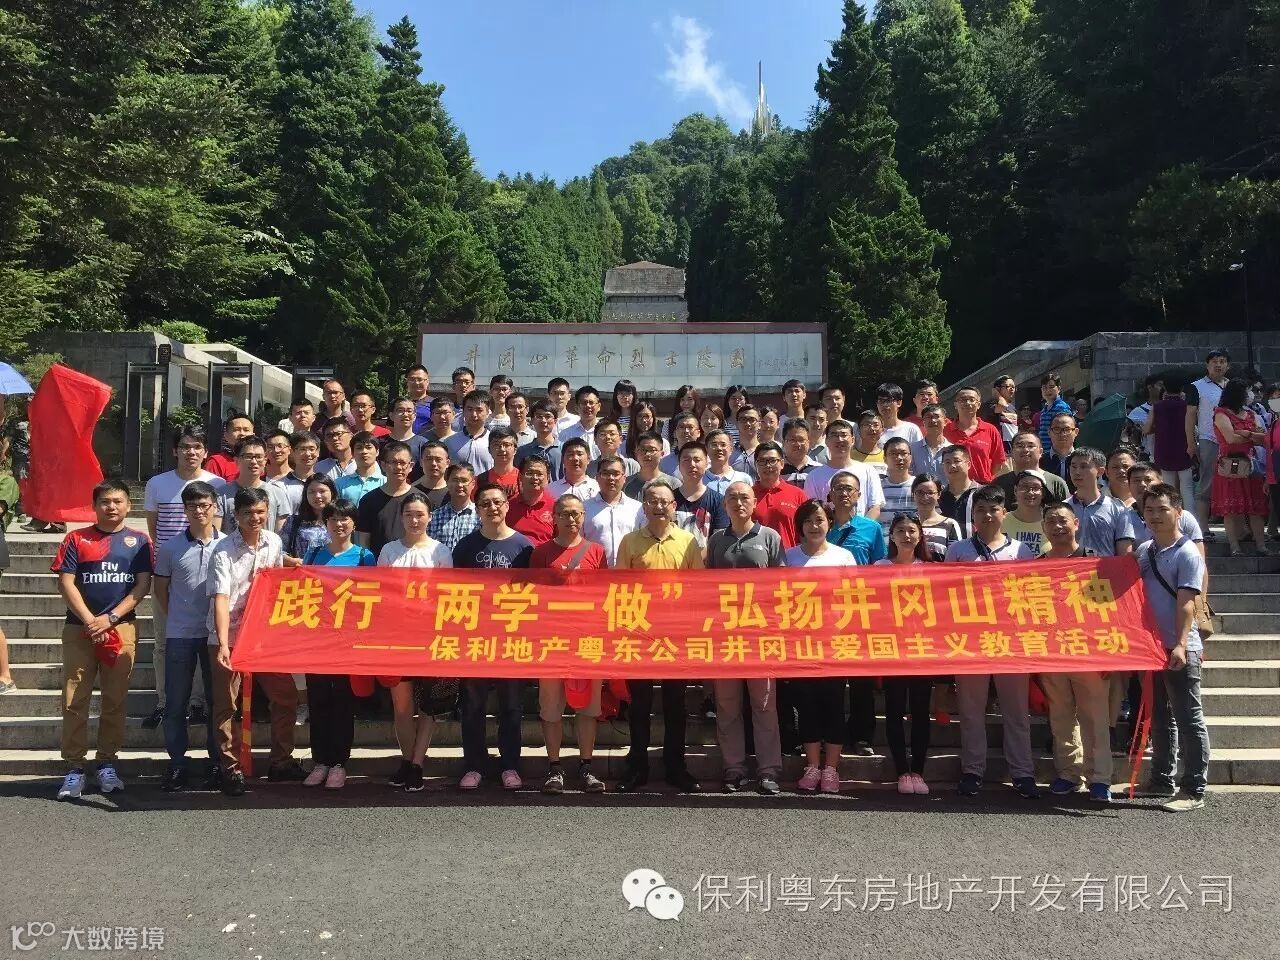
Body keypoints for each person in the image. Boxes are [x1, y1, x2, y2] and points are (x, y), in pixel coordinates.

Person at [53, 480, 154, 800]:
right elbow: (66, 582)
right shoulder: (76, 538)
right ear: (94, 506)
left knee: (115, 698)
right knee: (74, 699)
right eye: (105, 502)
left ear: (128, 506)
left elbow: (142, 586)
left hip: (120, 628)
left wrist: (110, 618)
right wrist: (90, 620)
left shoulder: (139, 541)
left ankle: (107, 762)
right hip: (79, 629)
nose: (112, 507)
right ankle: (74, 766)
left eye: (118, 501)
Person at [944, 485, 1039, 799]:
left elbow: (1029, 597)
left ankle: (1023, 773)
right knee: (971, 710)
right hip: (970, 640)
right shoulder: (958, 550)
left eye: (993, 509)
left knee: (1016, 711)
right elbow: (945, 595)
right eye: (981, 510)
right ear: (973, 514)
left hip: (1010, 641)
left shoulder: (1021, 552)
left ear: (1004, 513)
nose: (987, 515)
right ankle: (972, 770)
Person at [209, 488, 301, 796]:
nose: (255, 518)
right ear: (236, 515)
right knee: (227, 704)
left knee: (286, 696)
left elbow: (274, 578)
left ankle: (281, 761)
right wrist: (223, 643)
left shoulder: (273, 541)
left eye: (260, 512)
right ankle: (230, 767)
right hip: (230, 635)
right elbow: (221, 598)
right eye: (248, 513)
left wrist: (294, 564)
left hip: (263, 634)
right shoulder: (223, 550)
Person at [615, 478, 704, 793]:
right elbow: (620, 590)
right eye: (652, 501)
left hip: (675, 635)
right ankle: (637, 767)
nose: (658, 506)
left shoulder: (688, 542)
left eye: (664, 501)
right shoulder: (630, 542)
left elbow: (698, 589)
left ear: (674, 506)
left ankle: (675, 767)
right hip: (640, 633)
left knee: (675, 704)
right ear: (644, 506)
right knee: (639, 704)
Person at [706, 481, 786, 795]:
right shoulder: (716, 540)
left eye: (744, 498)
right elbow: (707, 587)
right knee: (727, 705)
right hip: (726, 635)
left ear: (754, 502)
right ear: (724, 505)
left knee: (764, 704)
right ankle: (734, 768)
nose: (738, 503)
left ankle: (769, 770)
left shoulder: (770, 537)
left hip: (760, 635)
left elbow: (781, 585)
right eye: (732, 498)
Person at [454, 484, 534, 790]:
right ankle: (474, 765)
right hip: (475, 638)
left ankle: (510, 765)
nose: (493, 508)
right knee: (473, 706)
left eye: (498, 502)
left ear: (507, 506)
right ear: (477, 510)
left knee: (511, 706)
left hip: (511, 638)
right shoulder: (465, 547)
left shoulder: (523, 547)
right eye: (485, 503)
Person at [1136, 484, 1211, 811]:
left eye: (1162, 509)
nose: (1155, 516)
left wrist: (1180, 644)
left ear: (1178, 512)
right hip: (1151, 648)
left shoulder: (1187, 552)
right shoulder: (1144, 550)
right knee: (1159, 717)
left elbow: (1187, 603)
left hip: (1179, 647)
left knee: (1188, 718)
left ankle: (1193, 789)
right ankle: (1161, 779)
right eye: (1149, 510)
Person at [375, 491, 455, 792]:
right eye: (409, 514)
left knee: (428, 706)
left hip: (429, 635)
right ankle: (407, 760)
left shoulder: (441, 552)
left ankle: (417, 764)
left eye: (420, 514)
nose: (414, 520)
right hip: (396, 636)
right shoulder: (389, 551)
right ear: (401, 518)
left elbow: (447, 595)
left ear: (429, 517)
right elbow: (380, 592)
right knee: (401, 706)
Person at [532, 494, 608, 794]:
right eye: (564, 513)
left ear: (584, 516)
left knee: (588, 707)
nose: (571, 519)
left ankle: (586, 765)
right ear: (554, 517)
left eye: (576, 513)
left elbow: (604, 596)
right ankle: (554, 767)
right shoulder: (541, 553)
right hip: (551, 640)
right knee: (551, 708)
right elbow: (533, 597)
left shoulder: (597, 552)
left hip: (588, 639)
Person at [1037, 500, 1112, 802]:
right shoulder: (1036, 565)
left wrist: (1107, 654)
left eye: (1063, 520)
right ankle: (1069, 773)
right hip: (1051, 652)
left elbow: (1107, 611)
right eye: (1051, 522)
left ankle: (1100, 778)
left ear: (1076, 524)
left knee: (1095, 718)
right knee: (1061, 716)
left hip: (1088, 652)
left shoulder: (1094, 562)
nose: (1057, 526)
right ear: (1043, 528)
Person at [143, 426, 217, 728]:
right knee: (163, 643)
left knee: (203, 642)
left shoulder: (216, 484)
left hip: (205, 576)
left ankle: (197, 703)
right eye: (185, 446)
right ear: (175, 450)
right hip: (167, 574)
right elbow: (154, 529)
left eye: (197, 446)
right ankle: (165, 702)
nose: (191, 452)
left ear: (205, 452)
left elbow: (216, 529)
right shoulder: (157, 484)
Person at [300, 502, 376, 791]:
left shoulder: (364, 556)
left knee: (343, 702)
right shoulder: (314, 554)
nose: (339, 524)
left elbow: (372, 596)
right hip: (317, 639)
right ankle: (320, 761)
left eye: (344, 519)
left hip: (348, 640)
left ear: (353, 523)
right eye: (332, 519)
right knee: (318, 700)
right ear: (326, 523)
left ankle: (339, 763)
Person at [154, 481, 223, 792]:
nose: (199, 511)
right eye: (192, 506)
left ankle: (216, 761)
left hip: (215, 635)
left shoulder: (227, 545)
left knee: (216, 701)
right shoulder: (170, 547)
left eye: (205, 505)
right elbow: (160, 589)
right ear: (184, 510)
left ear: (215, 508)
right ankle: (177, 763)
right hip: (180, 633)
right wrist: (177, 616)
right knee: (176, 701)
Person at [785, 499, 854, 794]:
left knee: (833, 705)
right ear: (800, 526)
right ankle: (812, 766)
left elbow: (855, 598)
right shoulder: (788, 557)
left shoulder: (843, 556)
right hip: (800, 644)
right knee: (807, 706)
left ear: (829, 523)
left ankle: (831, 769)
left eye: (820, 520)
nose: (814, 526)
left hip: (835, 643)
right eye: (808, 521)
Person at [873, 513, 937, 795]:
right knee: (895, 709)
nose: (907, 536)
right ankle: (902, 771)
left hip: (923, 648)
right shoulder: (880, 567)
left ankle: (918, 771)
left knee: (921, 711)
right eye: (901, 531)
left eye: (912, 531)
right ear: (892, 536)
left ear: (920, 536)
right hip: (892, 647)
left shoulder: (931, 569)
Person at [824, 471, 885, 755]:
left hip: (859, 610)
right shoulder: (822, 525)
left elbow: (880, 569)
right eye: (839, 488)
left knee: (861, 678)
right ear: (830, 495)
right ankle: (831, 733)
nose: (844, 493)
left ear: (859, 495)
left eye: (850, 489)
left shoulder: (871, 528)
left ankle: (862, 736)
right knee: (831, 680)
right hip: (825, 611)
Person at [1213, 378, 1270, 556]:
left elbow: (1263, 438)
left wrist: (1245, 434)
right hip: (1230, 465)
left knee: (1255, 508)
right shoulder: (1221, 413)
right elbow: (1230, 438)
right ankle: (1234, 547)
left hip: (1250, 465)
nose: (1250, 395)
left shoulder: (1250, 414)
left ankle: (1261, 546)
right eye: (1247, 391)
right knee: (1230, 509)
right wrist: (1252, 436)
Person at [1186, 349, 1231, 534]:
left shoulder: (1232, 386)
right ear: (1207, 365)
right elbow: (1190, 416)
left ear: (1228, 365)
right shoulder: (1196, 387)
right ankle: (1203, 529)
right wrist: (1191, 443)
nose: (1218, 365)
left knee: (1232, 484)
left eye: (1222, 361)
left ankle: (1236, 529)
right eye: (1214, 361)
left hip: (1231, 440)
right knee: (1206, 485)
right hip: (1208, 439)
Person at [803, 420, 885, 518]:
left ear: (853, 440)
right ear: (826, 441)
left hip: (861, 527)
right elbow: (812, 512)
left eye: (844, 435)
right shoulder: (814, 476)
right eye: (834, 435)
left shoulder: (868, 471)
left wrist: (861, 527)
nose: (840, 439)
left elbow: (875, 507)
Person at [215, 436, 291, 534]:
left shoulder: (277, 493)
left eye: (259, 457)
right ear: (236, 461)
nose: (254, 462)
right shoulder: (221, 493)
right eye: (248, 456)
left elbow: (282, 535)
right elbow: (215, 534)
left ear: (265, 460)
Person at [1067, 448, 1135, 556]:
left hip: (1105, 566)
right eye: (1073, 467)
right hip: (1071, 567)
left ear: (1100, 471)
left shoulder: (1118, 509)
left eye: (1084, 467)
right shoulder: (1064, 508)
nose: (1077, 472)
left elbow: (1124, 555)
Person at [355, 441, 416, 559]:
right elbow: (363, 541)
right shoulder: (368, 500)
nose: (398, 467)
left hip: (413, 563)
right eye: (393, 462)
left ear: (411, 466)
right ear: (383, 465)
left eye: (403, 463)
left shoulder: (419, 499)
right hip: (378, 565)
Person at [583, 455, 644, 567]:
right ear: (597, 477)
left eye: (616, 474)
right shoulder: (584, 508)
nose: (611, 478)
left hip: (629, 571)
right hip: (595, 572)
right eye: (605, 473)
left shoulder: (638, 509)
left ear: (624, 478)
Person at [1147, 374, 1195, 509]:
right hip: (1184, 449)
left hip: (1164, 450)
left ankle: (1170, 513)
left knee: (1168, 488)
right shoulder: (1187, 406)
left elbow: (1147, 429)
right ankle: (1191, 517)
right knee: (1187, 488)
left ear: (1165, 388)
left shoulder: (1157, 407)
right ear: (1182, 388)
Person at [673, 441, 729, 548]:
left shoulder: (718, 500)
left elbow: (719, 540)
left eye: (697, 460)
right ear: (679, 465)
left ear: (707, 464)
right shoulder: (669, 499)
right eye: (686, 460)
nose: (692, 464)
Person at [944, 386, 1006, 484]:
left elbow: (998, 462)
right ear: (955, 405)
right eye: (963, 400)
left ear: (978, 405)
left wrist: (984, 478)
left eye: (972, 400)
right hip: (954, 486)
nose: (968, 403)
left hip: (982, 487)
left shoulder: (990, 430)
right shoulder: (946, 430)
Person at [751, 441, 807, 548]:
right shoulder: (747, 496)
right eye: (762, 461)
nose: (768, 465)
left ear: (782, 464)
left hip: (790, 556)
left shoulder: (798, 495)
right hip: (756, 556)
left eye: (772, 461)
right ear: (755, 465)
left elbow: (805, 533)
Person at [995, 432, 1069, 504]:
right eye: (1020, 446)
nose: (1025, 450)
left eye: (1030, 446)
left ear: (1040, 452)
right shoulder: (1000, 483)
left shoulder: (1056, 483)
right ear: (1012, 452)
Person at [282, 475, 337, 561]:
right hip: (302, 568)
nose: (317, 496)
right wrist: (292, 561)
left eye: (322, 491)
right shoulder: (293, 522)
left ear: (332, 493)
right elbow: (279, 552)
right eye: (312, 492)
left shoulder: (341, 521)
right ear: (306, 495)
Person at [427, 463, 480, 551]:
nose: (459, 485)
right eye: (455, 480)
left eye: (464, 480)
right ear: (447, 482)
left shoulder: (481, 516)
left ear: (473, 484)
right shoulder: (435, 517)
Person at [507, 455, 556, 545]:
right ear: (520, 477)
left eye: (540, 474)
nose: (535, 477)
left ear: (548, 478)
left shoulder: (556, 507)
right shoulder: (508, 507)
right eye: (530, 473)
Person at [913, 474, 962, 560]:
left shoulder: (950, 524)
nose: (925, 497)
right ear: (913, 494)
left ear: (939, 494)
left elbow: (955, 558)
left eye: (930, 493)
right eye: (920, 492)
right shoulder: (906, 524)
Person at [445, 390, 494, 474]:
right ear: (463, 411)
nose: (474, 414)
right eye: (470, 409)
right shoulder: (449, 442)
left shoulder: (494, 442)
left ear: (488, 412)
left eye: (479, 410)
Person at [1002, 470, 1051, 555]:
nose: (1030, 492)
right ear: (1015, 490)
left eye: (1036, 488)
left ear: (1043, 493)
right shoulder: (1002, 521)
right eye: (1024, 487)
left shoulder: (1052, 522)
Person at [515, 401, 563, 481]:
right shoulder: (522, 451)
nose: (543, 420)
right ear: (532, 420)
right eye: (539, 416)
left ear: (555, 421)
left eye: (548, 416)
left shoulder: (564, 449)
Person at [335, 432, 385, 506]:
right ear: (352, 453)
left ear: (377, 452)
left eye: (368, 447)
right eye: (359, 448)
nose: (364, 451)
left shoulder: (386, 482)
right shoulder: (340, 483)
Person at [877, 438, 915, 535]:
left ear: (910, 458)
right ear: (885, 459)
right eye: (893, 454)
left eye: (903, 453)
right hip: (884, 542)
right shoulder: (877, 487)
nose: (899, 457)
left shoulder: (919, 486)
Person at [939, 445, 979, 537]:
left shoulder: (981, 493)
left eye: (956, 461)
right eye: (947, 462)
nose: (952, 466)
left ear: (968, 464)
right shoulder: (939, 496)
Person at [624, 431, 677, 500]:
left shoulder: (673, 484)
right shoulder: (625, 483)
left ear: (662, 454)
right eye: (642, 450)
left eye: (652, 450)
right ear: (636, 453)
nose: (647, 454)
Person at [203, 414, 255, 481]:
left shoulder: (260, 461)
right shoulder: (216, 462)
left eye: (246, 430)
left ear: (253, 435)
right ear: (226, 436)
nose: (242, 433)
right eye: (236, 430)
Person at [280, 431, 321, 514]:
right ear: (292, 452)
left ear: (318, 452)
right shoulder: (280, 486)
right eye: (302, 449)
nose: (308, 454)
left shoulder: (325, 483)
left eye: (312, 449)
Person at [908, 404, 949, 483]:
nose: (933, 420)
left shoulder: (951, 449)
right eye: (928, 417)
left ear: (945, 422)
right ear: (923, 422)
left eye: (936, 416)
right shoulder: (912, 449)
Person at [476, 426, 520, 500]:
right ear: (489, 450)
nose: (502, 449)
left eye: (507, 445)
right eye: (496, 445)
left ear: (515, 450)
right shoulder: (480, 480)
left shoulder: (523, 479)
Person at [560, 385, 602, 458]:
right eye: (584, 403)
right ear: (576, 407)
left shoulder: (605, 433)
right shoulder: (566, 434)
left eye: (591, 402)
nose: (588, 406)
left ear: (599, 406)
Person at [1040, 413, 1079, 492]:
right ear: (1049, 432)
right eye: (1057, 429)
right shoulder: (1039, 461)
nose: (1062, 434)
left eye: (1067, 429)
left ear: (1076, 432)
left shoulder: (1084, 461)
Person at [386, 397, 428, 469]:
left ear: (414, 416)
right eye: (400, 410)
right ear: (391, 416)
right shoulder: (380, 442)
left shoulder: (423, 444)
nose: (405, 414)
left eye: (409, 411)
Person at [1127, 374, 1163, 458]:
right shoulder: (1137, 413)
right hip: (1148, 458)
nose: (1163, 389)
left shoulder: (1172, 409)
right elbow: (1129, 440)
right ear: (1150, 387)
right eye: (1160, 385)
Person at [1036, 373, 1073, 453]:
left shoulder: (1061, 407)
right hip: (1046, 453)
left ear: (1059, 388)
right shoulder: (1044, 410)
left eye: (1051, 387)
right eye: (1044, 388)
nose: (1047, 390)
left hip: (1057, 453)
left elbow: (1066, 432)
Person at [982, 375, 1020, 454]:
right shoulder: (990, 405)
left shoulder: (1012, 408)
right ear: (997, 389)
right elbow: (1002, 406)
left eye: (1013, 387)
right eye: (1008, 386)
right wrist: (997, 395)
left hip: (1013, 450)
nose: (1012, 389)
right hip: (999, 451)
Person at [780, 419, 821, 489]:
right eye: (792, 440)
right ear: (783, 443)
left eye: (801, 440)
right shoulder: (777, 469)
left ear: (808, 442)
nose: (797, 444)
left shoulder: (819, 470)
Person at [412, 440, 451, 509]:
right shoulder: (411, 492)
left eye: (438, 459)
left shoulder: (454, 492)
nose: (433, 463)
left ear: (447, 463)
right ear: (421, 462)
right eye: (429, 459)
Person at [850, 410, 887, 475]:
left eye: (876, 425)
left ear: (882, 430)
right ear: (859, 430)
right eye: (866, 425)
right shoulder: (849, 456)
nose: (872, 428)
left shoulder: (887, 456)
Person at [729, 405, 761, 477]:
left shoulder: (765, 452)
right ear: (736, 424)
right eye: (743, 419)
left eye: (752, 420)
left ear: (760, 424)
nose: (748, 423)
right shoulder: (729, 452)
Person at [404, 364, 433, 432]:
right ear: (407, 382)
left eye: (420, 379)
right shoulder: (400, 404)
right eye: (412, 379)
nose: (416, 383)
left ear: (427, 382)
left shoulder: (435, 404)